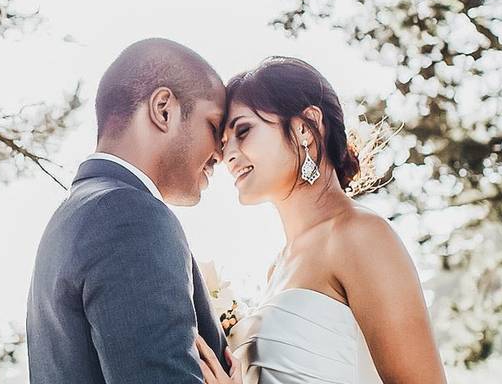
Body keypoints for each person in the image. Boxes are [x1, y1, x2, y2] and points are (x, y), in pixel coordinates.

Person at [199, 56, 447, 384]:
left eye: (243, 131)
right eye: (223, 142)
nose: (226, 154)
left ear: (305, 127)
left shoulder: (360, 235)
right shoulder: (278, 267)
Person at [26, 38, 240, 383]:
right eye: (214, 127)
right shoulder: (129, 216)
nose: (221, 150)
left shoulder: (74, 216)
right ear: (163, 109)